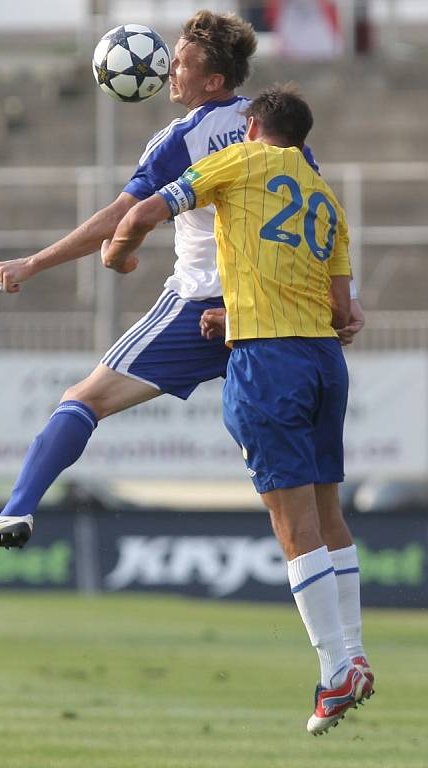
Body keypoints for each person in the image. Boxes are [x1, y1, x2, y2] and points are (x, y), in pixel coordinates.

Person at [0, 9, 363, 559]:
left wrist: (35, 263)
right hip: (277, 313)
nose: (169, 72)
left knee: (84, 399)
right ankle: (344, 644)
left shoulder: (182, 138)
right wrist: (345, 299)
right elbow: (317, 218)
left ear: (214, 80)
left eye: (181, 64)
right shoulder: (281, 137)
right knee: (319, 508)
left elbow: (124, 215)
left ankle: (16, 509)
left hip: (200, 304)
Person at [101, 85, 373, 735]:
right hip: (321, 362)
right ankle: (355, 655)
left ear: (250, 127)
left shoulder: (238, 161)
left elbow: (144, 211)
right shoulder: (325, 199)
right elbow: (344, 313)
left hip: (267, 363)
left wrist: (117, 254)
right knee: (328, 512)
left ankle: (335, 670)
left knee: (293, 522)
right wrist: (242, 305)